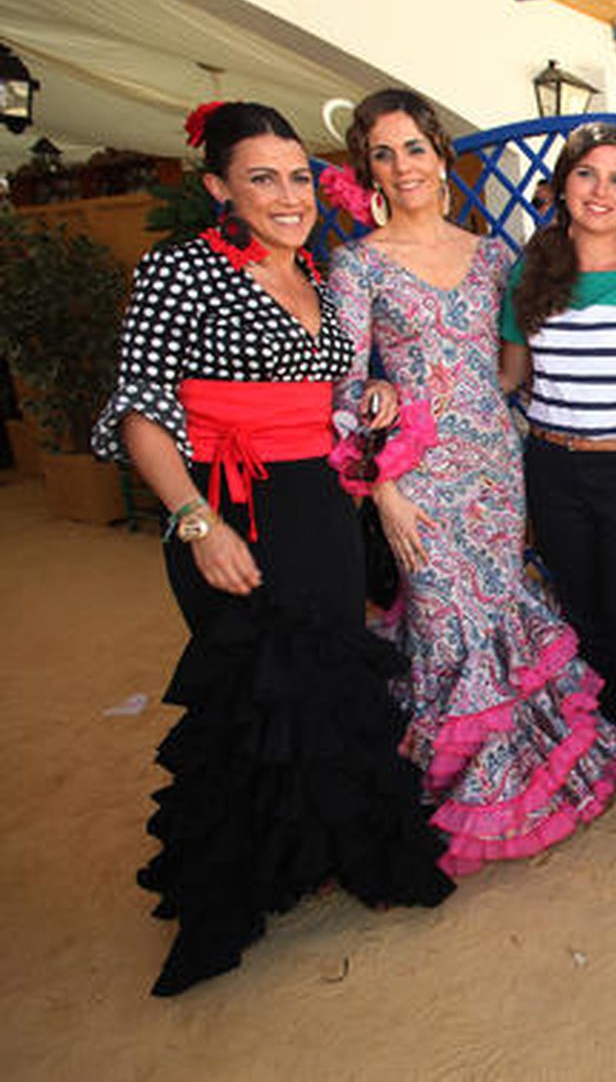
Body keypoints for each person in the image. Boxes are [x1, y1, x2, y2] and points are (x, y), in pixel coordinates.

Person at [90, 100, 454, 996]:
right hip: (228, 508)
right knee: (247, 690)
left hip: (321, 507)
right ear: (218, 187)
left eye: (297, 175)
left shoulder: (323, 280)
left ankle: (345, 853)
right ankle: (223, 902)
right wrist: (194, 521)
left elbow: (330, 389)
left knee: (331, 676)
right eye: (262, 177)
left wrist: (366, 398)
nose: (288, 194)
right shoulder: (181, 270)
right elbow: (142, 410)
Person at [326, 89, 616, 877]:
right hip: (416, 480)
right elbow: (345, 388)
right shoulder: (357, 263)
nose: (403, 167)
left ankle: (522, 783)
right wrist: (381, 488)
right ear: (371, 171)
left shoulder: (494, 255)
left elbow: (509, 369)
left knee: (499, 610)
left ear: (439, 154)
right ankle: (463, 786)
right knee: (440, 622)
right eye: (384, 154)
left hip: (496, 463)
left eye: (414, 149)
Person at [499, 122, 616, 824]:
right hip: (552, 467)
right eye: (587, 175)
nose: (601, 191)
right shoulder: (532, 269)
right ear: (562, 185)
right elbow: (512, 376)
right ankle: (601, 743)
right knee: (579, 615)